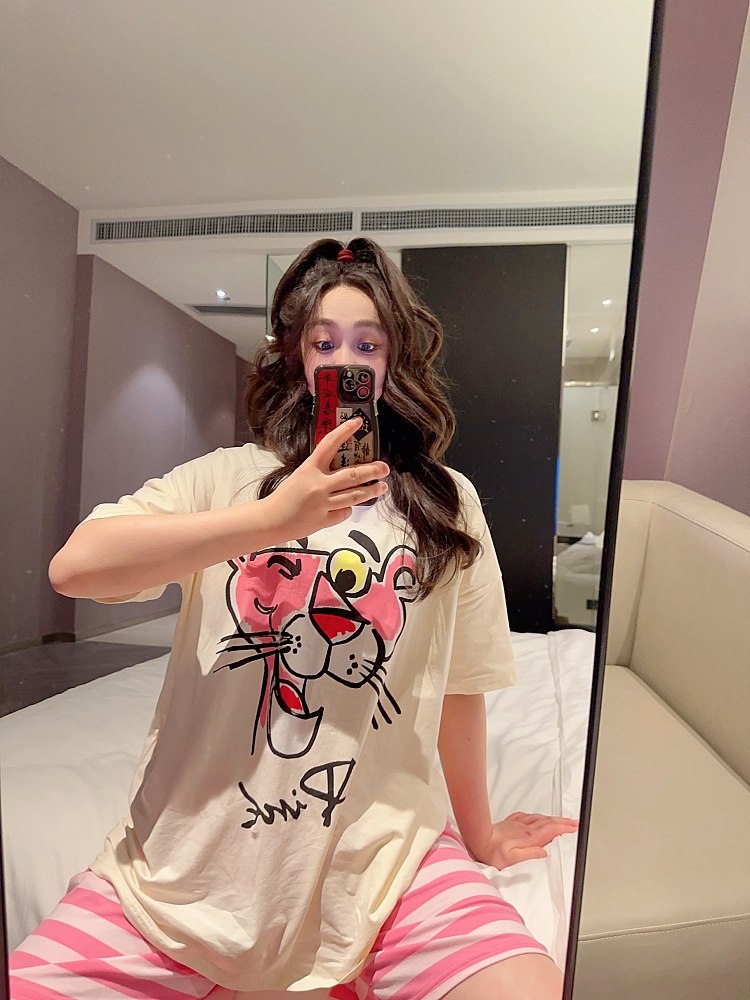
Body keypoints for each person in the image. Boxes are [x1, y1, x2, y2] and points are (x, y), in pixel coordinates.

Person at [11, 237, 578, 1000]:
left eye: (367, 344)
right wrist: (271, 520)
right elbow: (76, 569)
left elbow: (460, 687)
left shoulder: (445, 502)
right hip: (176, 882)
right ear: (297, 358)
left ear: (394, 361)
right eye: (323, 342)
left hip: (387, 868)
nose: (345, 360)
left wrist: (481, 836)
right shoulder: (226, 479)